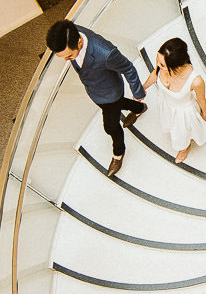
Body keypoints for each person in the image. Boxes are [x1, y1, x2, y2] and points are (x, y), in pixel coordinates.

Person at [46, 19, 146, 177]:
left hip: (110, 92)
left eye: (69, 56)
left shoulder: (106, 53)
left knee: (110, 127)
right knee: (119, 105)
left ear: (79, 42)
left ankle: (118, 154)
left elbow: (128, 68)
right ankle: (139, 108)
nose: (67, 60)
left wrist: (138, 92)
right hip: (97, 90)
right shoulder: (70, 32)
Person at [141, 37, 206, 163]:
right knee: (170, 125)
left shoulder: (196, 81)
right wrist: (142, 89)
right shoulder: (161, 65)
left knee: (182, 134)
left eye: (162, 65)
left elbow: (202, 99)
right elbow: (155, 74)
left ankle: (184, 148)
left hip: (183, 112)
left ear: (176, 65)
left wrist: (204, 115)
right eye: (158, 61)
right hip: (167, 104)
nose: (158, 65)